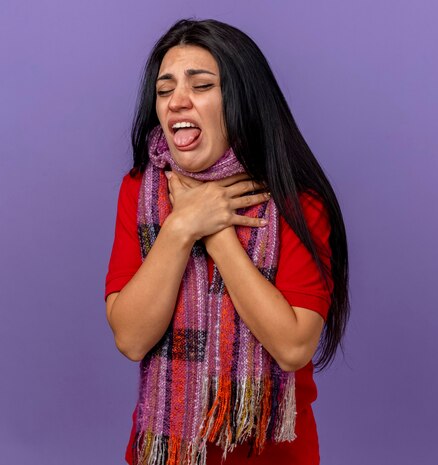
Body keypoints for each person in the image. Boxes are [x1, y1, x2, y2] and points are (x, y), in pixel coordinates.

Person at [104, 18, 349, 465]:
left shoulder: (298, 203)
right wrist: (180, 228)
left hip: (273, 456)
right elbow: (131, 338)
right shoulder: (139, 193)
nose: (177, 101)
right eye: (164, 90)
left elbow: (294, 346)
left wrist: (216, 232)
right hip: (165, 453)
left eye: (201, 86)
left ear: (239, 99)